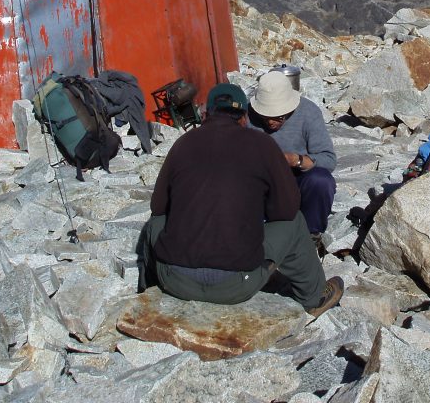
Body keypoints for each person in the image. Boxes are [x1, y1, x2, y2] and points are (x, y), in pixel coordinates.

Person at [137, 83, 343, 316]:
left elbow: (158, 207)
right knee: (295, 222)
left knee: (154, 223)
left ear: (205, 114)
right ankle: (314, 298)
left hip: (175, 281)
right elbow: (286, 210)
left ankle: (147, 290)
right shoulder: (263, 145)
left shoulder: (183, 144)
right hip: (236, 285)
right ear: (245, 117)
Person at [248, 71, 337, 238]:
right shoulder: (247, 116)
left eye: (278, 117)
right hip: (261, 181)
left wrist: (296, 160)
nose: (271, 122)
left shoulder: (308, 112)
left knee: (321, 181)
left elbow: (328, 159)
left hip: (297, 178)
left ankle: (311, 234)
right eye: (265, 117)